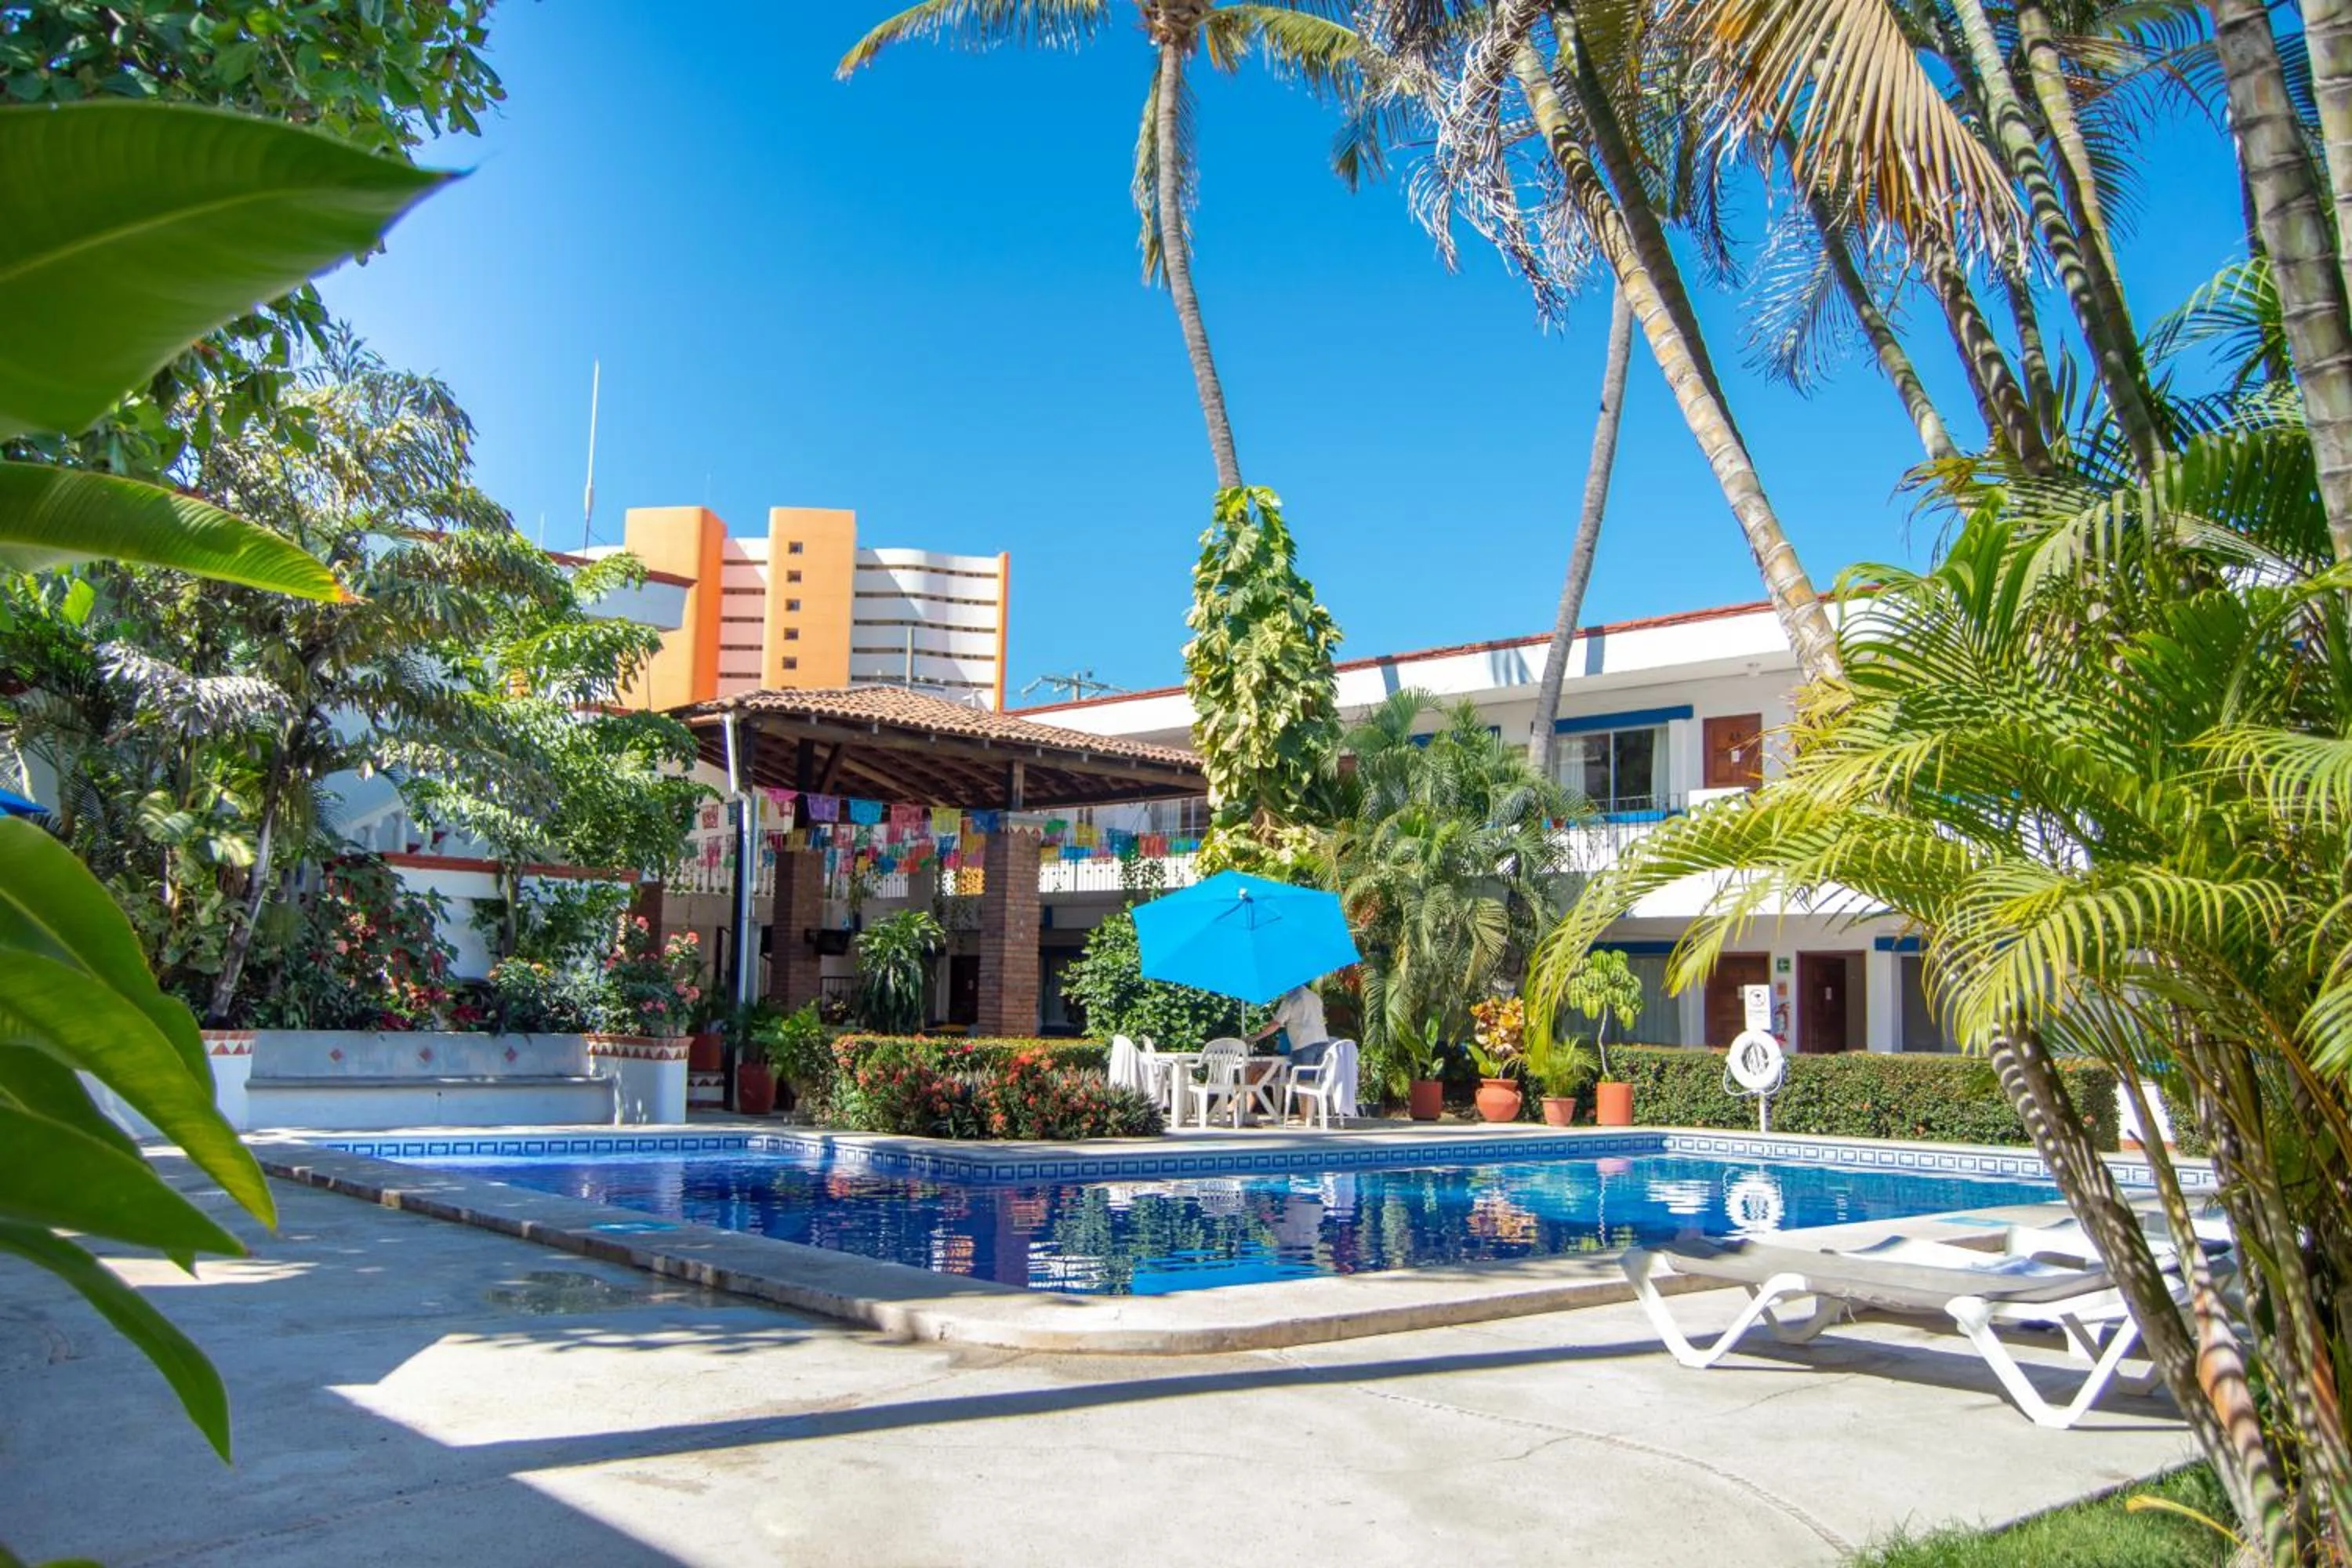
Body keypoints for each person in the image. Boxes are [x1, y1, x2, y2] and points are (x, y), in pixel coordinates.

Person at [1254, 982, 1327, 1054]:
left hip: (1304, 1043)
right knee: (1319, 1067)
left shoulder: (1292, 999)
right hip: (1322, 1042)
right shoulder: (1315, 997)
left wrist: (1255, 1038)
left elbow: (1276, 1023)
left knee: (1302, 1067)